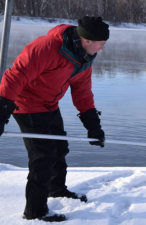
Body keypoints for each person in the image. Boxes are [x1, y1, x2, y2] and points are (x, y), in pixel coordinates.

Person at [0, 16, 109, 222]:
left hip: (49, 104)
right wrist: (1, 111)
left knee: (59, 148)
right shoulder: (47, 47)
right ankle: (35, 211)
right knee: (43, 156)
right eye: (101, 44)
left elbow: (83, 93)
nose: (102, 48)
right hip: (26, 103)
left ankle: (57, 190)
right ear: (87, 40)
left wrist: (93, 126)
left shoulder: (84, 58)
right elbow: (16, 76)